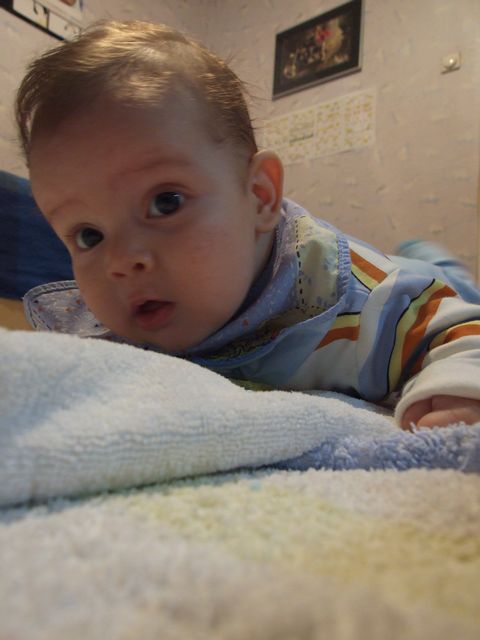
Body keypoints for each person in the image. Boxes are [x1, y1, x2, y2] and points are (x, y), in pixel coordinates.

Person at [16, 20, 480, 431]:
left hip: (415, 280)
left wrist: (457, 389)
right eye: (89, 236)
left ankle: (430, 256)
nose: (121, 261)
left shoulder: (356, 302)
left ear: (259, 196)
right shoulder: (113, 328)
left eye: (165, 202)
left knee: (452, 283)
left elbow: (460, 332)